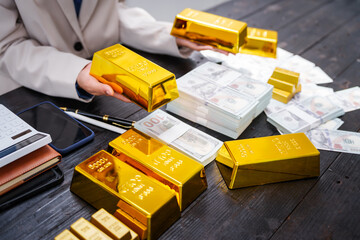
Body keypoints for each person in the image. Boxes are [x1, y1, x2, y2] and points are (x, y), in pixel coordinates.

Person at [0, 0, 221, 102]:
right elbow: (8, 45)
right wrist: (75, 72)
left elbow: (112, 11)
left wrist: (166, 34)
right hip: (33, 90)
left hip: (104, 87)